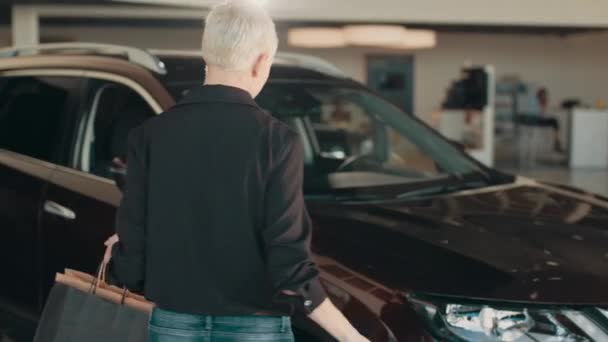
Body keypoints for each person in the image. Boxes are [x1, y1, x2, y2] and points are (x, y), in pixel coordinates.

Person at [103, 1, 368, 341]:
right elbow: (289, 266)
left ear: (207, 56)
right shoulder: (277, 141)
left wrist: (117, 259)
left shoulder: (148, 135)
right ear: (262, 62)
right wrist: (351, 337)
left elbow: (132, 262)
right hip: (255, 329)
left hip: (173, 326)